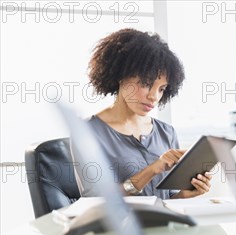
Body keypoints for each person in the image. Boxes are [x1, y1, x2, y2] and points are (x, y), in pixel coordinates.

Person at [73, 28, 211, 200]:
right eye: (146, 83)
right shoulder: (87, 132)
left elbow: (166, 198)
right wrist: (153, 169)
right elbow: (98, 199)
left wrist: (185, 194)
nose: (154, 96)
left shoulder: (166, 133)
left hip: (164, 226)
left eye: (161, 89)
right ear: (121, 76)